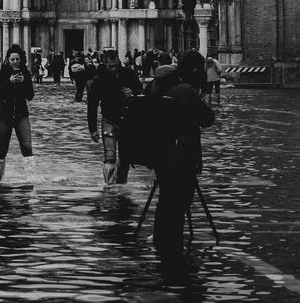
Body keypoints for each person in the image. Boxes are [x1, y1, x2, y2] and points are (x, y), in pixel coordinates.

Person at [145, 50, 216, 263]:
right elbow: (207, 119)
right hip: (182, 158)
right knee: (178, 205)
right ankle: (172, 255)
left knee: (165, 201)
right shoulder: (187, 92)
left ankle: (162, 244)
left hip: (159, 155)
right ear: (195, 70)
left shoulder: (155, 86)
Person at [86, 48, 143, 186]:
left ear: (119, 61)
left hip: (127, 121)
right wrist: (92, 129)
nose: (113, 69)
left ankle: (121, 185)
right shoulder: (98, 80)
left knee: (125, 158)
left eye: (115, 65)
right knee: (109, 156)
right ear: (104, 64)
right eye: (110, 66)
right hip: (108, 120)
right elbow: (92, 106)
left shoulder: (128, 74)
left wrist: (133, 93)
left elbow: (141, 93)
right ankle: (110, 187)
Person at [0, 45, 37, 185]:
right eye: (12, 59)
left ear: (21, 60)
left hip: (22, 116)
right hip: (4, 116)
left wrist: (23, 84)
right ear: (7, 60)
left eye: (17, 59)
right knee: (1, 150)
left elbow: (30, 96)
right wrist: (9, 82)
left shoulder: (26, 73)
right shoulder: (2, 73)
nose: (15, 62)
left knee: (27, 147)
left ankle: (31, 179)